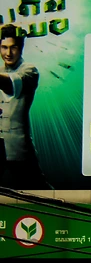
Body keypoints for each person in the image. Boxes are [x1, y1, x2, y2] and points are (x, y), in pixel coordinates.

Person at [0, 21, 46, 188]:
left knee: (38, 191)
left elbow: (12, 85)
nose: (8, 53)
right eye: (4, 47)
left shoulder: (29, 70)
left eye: (13, 47)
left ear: (21, 48)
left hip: (19, 148)